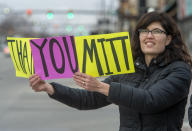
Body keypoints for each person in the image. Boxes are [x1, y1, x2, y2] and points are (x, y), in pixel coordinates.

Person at [29, 11, 192, 131]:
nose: (149, 36)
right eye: (144, 31)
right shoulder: (128, 68)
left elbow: (150, 101)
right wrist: (50, 88)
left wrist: (101, 86)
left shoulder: (180, 70)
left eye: (156, 31)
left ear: (169, 39)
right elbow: (87, 99)